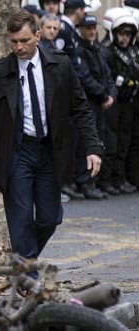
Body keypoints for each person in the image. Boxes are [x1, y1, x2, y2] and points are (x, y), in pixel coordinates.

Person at [0, 10, 103, 264]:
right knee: (20, 220)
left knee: (50, 218)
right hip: (17, 152)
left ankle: (21, 260)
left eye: (24, 41)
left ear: (37, 36)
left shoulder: (60, 65)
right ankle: (26, 277)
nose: (19, 47)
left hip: (50, 151)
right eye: (13, 42)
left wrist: (93, 148)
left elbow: (81, 109)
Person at [76, 14, 116, 198]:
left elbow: (107, 75)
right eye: (88, 28)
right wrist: (103, 95)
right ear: (81, 29)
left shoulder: (96, 49)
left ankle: (92, 180)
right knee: (87, 142)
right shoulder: (80, 50)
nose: (92, 31)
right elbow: (85, 78)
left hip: (100, 102)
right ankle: (84, 181)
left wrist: (110, 96)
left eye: (94, 28)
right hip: (90, 102)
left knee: (100, 139)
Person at [101, 12, 139, 194]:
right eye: (121, 34)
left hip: (129, 103)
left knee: (126, 142)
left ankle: (121, 177)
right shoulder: (107, 51)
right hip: (113, 103)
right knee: (112, 142)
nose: (124, 38)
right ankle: (108, 180)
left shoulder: (132, 52)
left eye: (128, 34)